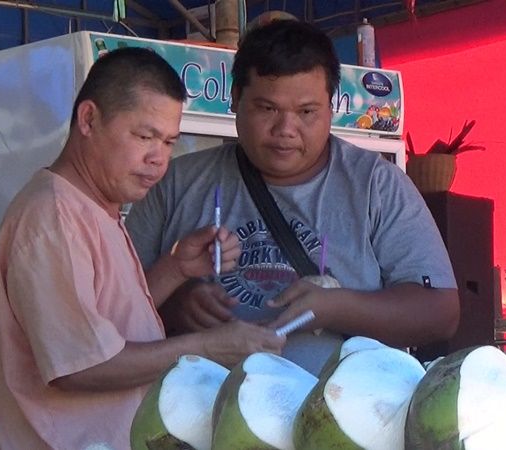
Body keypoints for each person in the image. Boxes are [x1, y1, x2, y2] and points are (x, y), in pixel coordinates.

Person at [0, 47, 286, 450]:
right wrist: (208, 347)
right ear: (88, 119)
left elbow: (109, 325)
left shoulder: (96, 207)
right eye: (145, 137)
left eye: (169, 142)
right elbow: (81, 366)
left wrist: (176, 268)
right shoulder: (54, 216)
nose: (158, 159)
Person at [125, 20, 460, 376]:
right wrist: (175, 306)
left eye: (306, 112)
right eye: (268, 109)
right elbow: (110, 309)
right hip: (196, 404)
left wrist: (336, 308)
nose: (285, 130)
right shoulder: (175, 183)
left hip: (341, 406)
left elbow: (440, 313)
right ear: (235, 98)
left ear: (331, 107)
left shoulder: (376, 186)